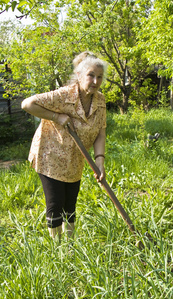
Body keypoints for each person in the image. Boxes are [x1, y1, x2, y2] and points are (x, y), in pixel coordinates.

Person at [21, 51, 107, 240]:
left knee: (71, 203)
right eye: (91, 75)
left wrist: (100, 161)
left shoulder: (100, 100)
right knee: (56, 202)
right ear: (79, 75)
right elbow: (27, 104)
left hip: (75, 158)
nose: (95, 81)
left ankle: (69, 247)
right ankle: (57, 251)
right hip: (50, 156)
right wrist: (57, 116)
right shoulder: (63, 95)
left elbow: (101, 132)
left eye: (99, 77)